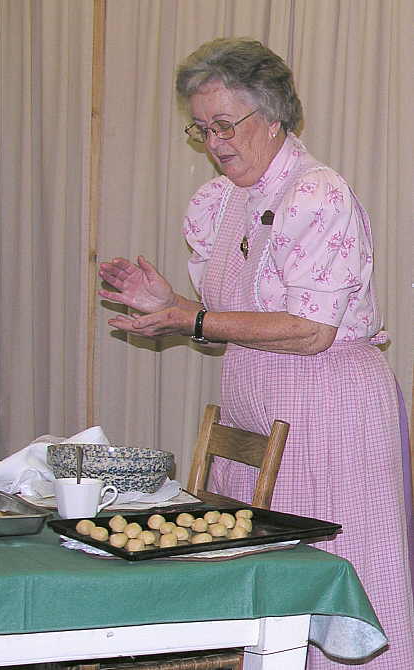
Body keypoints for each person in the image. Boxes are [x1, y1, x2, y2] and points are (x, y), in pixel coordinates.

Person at [99, 38, 413, 668]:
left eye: (225, 124)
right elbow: (226, 313)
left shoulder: (316, 193)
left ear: (273, 117)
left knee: (337, 574)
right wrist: (169, 304)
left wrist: (197, 319)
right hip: (255, 401)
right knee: (264, 581)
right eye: (201, 127)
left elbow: (313, 329)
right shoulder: (216, 203)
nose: (214, 142)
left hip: (329, 406)